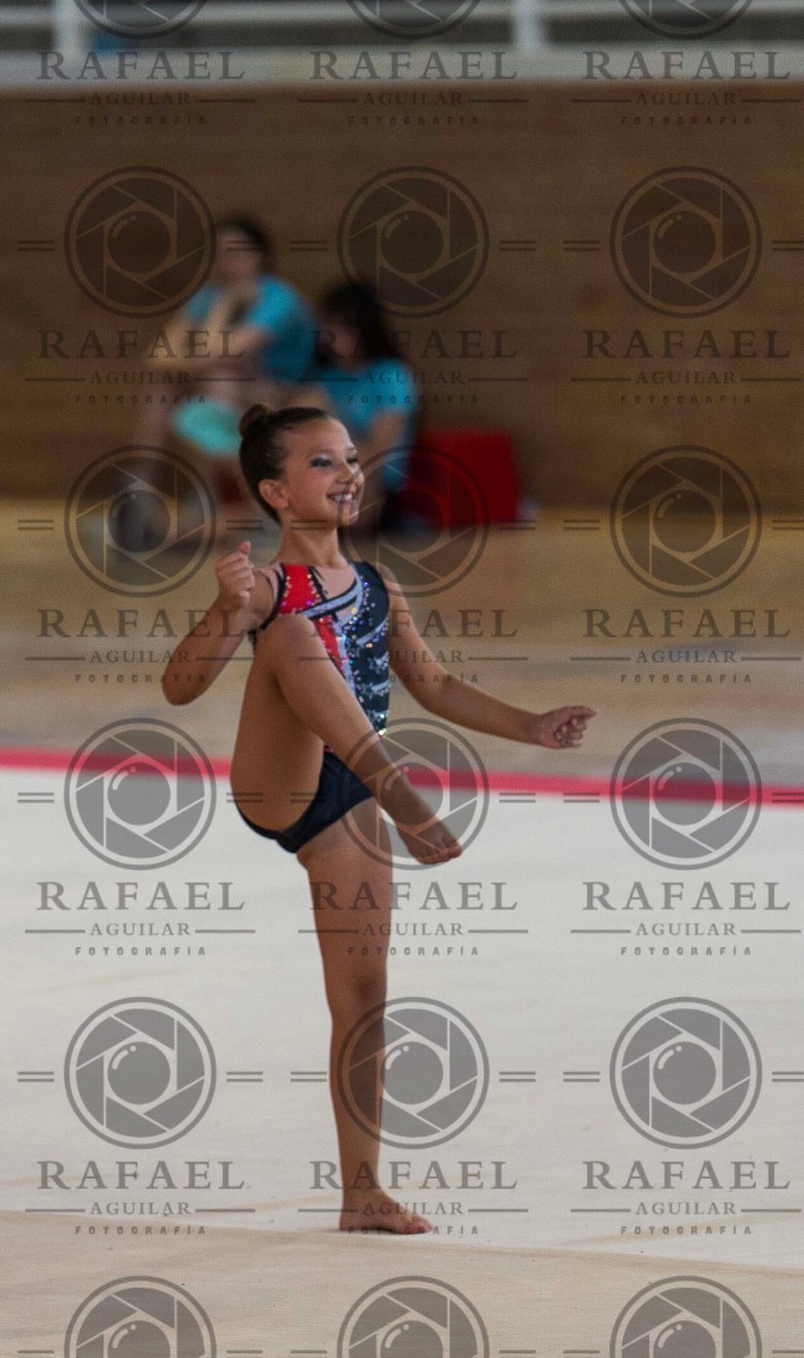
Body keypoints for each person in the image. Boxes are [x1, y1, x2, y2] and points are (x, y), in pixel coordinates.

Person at [160, 405, 594, 1234]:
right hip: (282, 778)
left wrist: (533, 725)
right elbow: (179, 688)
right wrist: (223, 610)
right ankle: (402, 792)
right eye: (323, 462)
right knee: (292, 636)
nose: (349, 473)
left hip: (348, 796)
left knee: (364, 997)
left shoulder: (377, 586)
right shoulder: (266, 590)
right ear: (275, 492)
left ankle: (362, 1192)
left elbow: (435, 684)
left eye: (352, 458)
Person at [130, 216, 318, 535]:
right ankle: (142, 491)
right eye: (219, 254)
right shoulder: (209, 296)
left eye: (236, 253)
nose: (227, 263)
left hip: (282, 393)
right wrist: (219, 311)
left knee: (221, 381)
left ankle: (227, 494)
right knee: (163, 388)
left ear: (260, 255)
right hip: (228, 387)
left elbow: (221, 351)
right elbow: (157, 356)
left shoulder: (278, 298)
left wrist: (224, 307)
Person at [289, 280, 418, 534]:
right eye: (329, 327)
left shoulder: (391, 375)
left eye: (345, 328)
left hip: (375, 488)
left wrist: (328, 413)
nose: (334, 337)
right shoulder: (322, 378)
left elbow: (377, 452)